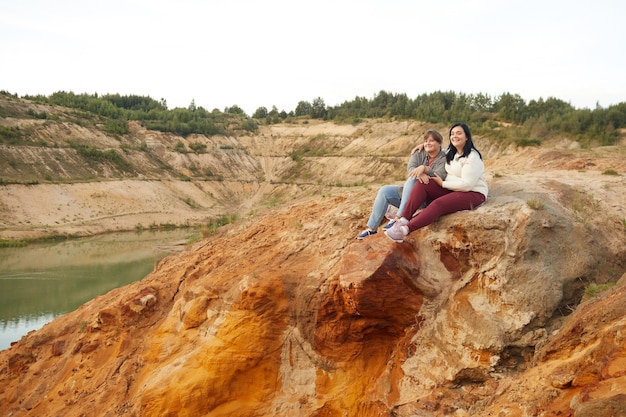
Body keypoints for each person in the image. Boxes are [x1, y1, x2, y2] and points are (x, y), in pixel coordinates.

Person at [385, 122, 488, 243]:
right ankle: (403, 220)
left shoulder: (472, 157)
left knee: (438, 204)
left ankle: (404, 231)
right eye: (452, 134)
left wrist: (442, 184)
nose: (455, 136)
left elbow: (467, 185)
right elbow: (438, 149)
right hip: (453, 189)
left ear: (467, 137)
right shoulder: (451, 151)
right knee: (423, 182)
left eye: (459, 133)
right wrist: (423, 146)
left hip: (472, 193)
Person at [356, 129, 447, 239]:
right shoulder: (419, 152)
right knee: (385, 190)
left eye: (431, 141)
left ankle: (399, 218)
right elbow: (411, 168)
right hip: (410, 195)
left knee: (413, 179)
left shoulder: (445, 157)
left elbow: (440, 175)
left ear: (440, 143)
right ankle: (372, 228)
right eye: (425, 141)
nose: (427, 143)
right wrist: (419, 173)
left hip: (425, 197)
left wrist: (425, 169)